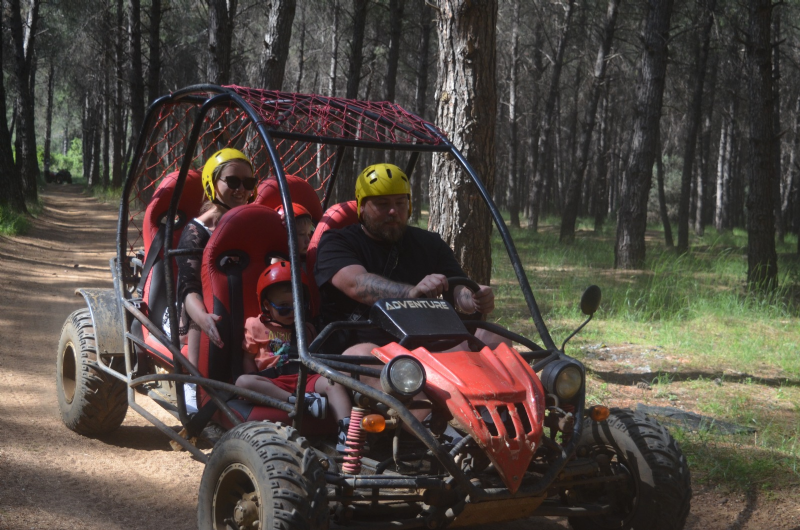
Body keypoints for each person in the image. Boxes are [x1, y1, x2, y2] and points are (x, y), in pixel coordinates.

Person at [313, 163, 499, 356]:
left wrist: (473, 298)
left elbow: (457, 288)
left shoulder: (429, 243)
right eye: (382, 204)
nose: (393, 211)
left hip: (423, 342)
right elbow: (357, 284)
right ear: (361, 208)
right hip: (359, 345)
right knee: (366, 355)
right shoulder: (336, 242)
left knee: (492, 337)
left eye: (400, 203)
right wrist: (412, 293)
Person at [236, 261, 353, 449]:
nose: (291, 312)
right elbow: (249, 357)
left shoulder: (307, 328)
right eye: (283, 307)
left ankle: (348, 434)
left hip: (304, 377)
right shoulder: (255, 325)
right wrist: (252, 379)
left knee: (334, 382)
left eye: (297, 306)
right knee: (243, 382)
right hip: (273, 381)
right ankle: (300, 402)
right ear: (267, 305)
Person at [174, 148, 256, 412]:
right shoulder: (196, 232)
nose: (241, 189)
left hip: (243, 305)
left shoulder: (252, 223)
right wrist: (203, 318)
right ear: (211, 183)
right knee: (207, 313)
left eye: (248, 183)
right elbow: (189, 289)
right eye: (232, 181)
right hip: (201, 309)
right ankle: (194, 385)